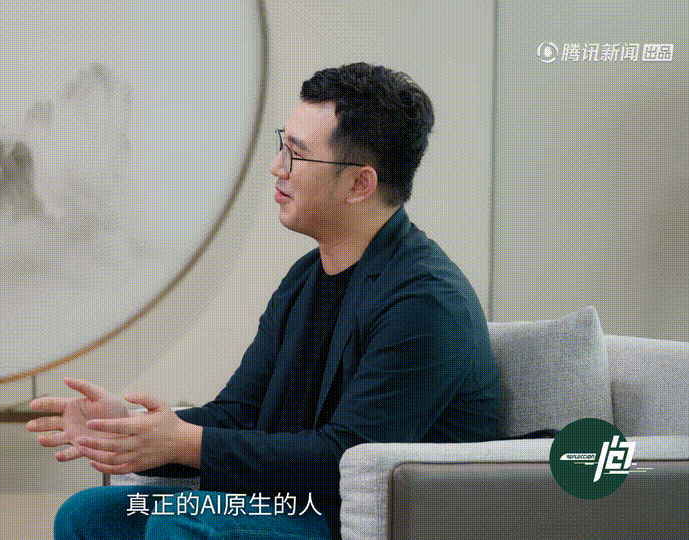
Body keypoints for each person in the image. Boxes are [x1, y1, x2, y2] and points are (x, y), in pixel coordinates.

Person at [27, 62, 501, 540]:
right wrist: (128, 428)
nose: (278, 167)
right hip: (296, 500)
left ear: (360, 184)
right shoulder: (305, 278)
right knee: (88, 515)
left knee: (182, 524)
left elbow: (349, 460)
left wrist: (187, 443)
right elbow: (239, 413)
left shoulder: (425, 301)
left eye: (297, 154)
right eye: (282, 145)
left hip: (357, 516)